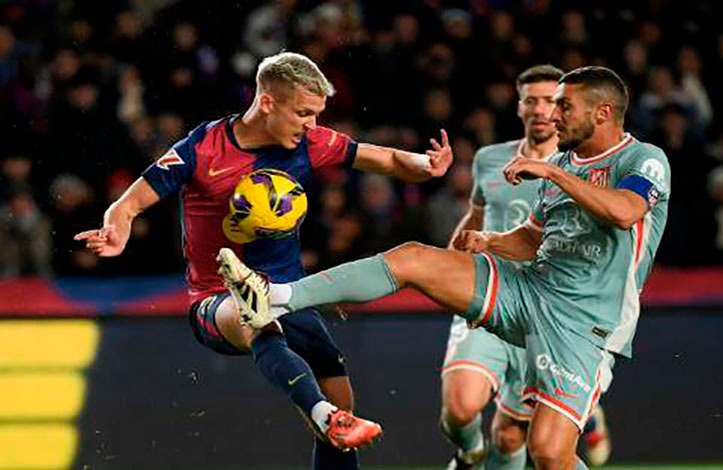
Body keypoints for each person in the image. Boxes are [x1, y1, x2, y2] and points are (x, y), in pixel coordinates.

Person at [218, 66, 670, 469]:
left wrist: (553, 174)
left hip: (585, 322)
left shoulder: (642, 159)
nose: (553, 116)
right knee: (414, 257)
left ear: (602, 112)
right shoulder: (562, 162)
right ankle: (277, 297)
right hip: (529, 289)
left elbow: (624, 211)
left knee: (549, 455)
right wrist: (491, 241)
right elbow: (533, 240)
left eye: (564, 107)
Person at [75, 52, 453, 469]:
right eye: (303, 113)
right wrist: (116, 229)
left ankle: (330, 418)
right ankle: (323, 415)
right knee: (255, 319)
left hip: (290, 295)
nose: (312, 124)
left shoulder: (310, 143)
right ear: (268, 102)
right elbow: (129, 203)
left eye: (317, 114)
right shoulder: (202, 148)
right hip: (217, 298)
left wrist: (427, 165)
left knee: (343, 408)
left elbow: (388, 159)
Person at [440, 65, 610, 470]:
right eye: (530, 100)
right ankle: (469, 453)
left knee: (511, 435)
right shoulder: (489, 159)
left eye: (550, 101)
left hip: (542, 313)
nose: (539, 109)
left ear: (565, 108)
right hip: (489, 296)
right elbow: (476, 217)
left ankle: (587, 412)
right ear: (518, 107)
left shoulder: (583, 170)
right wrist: (447, 264)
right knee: (461, 408)